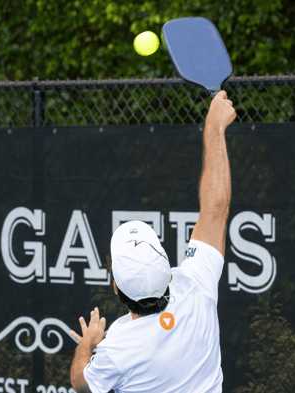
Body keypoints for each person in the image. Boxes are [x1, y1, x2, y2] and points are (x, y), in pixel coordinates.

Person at [70, 90, 237, 393]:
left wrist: (87, 346)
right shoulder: (195, 287)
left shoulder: (117, 351)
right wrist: (214, 128)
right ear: (168, 272)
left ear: (117, 287)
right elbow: (216, 208)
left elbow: (81, 383)